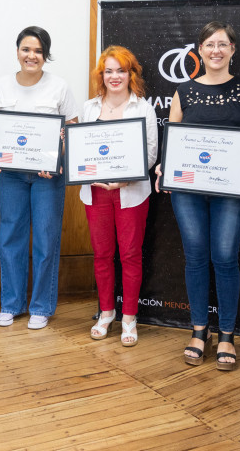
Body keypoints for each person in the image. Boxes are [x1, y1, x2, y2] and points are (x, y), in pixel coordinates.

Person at [156, 21, 240, 370]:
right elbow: (172, 140)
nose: (216, 50)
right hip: (187, 189)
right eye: (209, 44)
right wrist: (164, 166)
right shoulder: (183, 91)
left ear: (232, 49)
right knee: (196, 257)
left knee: (225, 257)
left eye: (223, 44)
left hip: (231, 190)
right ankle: (198, 330)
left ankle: (228, 335)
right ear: (199, 50)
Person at [0, 26, 79, 330]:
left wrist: (55, 158)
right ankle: (11, 304)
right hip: (11, 175)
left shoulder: (60, 87)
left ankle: (41, 306)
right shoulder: (1, 85)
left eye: (38, 51)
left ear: (45, 55)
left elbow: (72, 129)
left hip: (46, 176)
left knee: (45, 239)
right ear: (17, 52)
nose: (31, 56)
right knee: (11, 238)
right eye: (26, 49)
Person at [79, 46, 157, 346]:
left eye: (121, 70)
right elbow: (82, 151)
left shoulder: (143, 108)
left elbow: (150, 152)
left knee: (130, 255)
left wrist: (124, 179)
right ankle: (107, 312)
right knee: (101, 256)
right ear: (102, 75)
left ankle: (129, 317)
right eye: (108, 71)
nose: (115, 76)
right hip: (96, 193)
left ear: (131, 74)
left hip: (132, 193)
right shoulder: (88, 109)